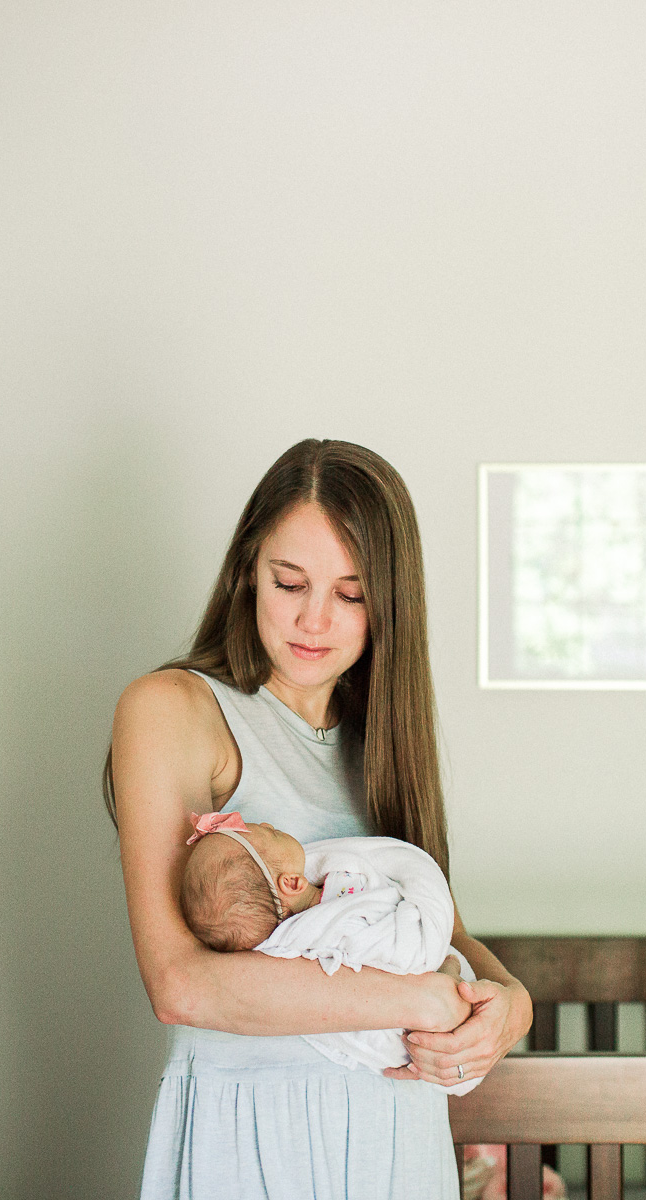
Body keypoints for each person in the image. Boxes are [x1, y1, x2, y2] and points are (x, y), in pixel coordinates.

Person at [106, 438, 533, 1199]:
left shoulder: (383, 737)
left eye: (350, 593)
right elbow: (181, 985)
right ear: (246, 570)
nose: (313, 620)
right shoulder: (172, 710)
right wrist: (419, 1000)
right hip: (254, 1130)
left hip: (396, 1132)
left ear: (388, 602)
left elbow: (448, 932)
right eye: (290, 582)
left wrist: (512, 1006)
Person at [178, 812, 482, 1095]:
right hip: (413, 1016)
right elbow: (406, 951)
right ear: (291, 882)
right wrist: (438, 974)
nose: (269, 825)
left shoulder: (321, 899)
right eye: (271, 833)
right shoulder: (327, 928)